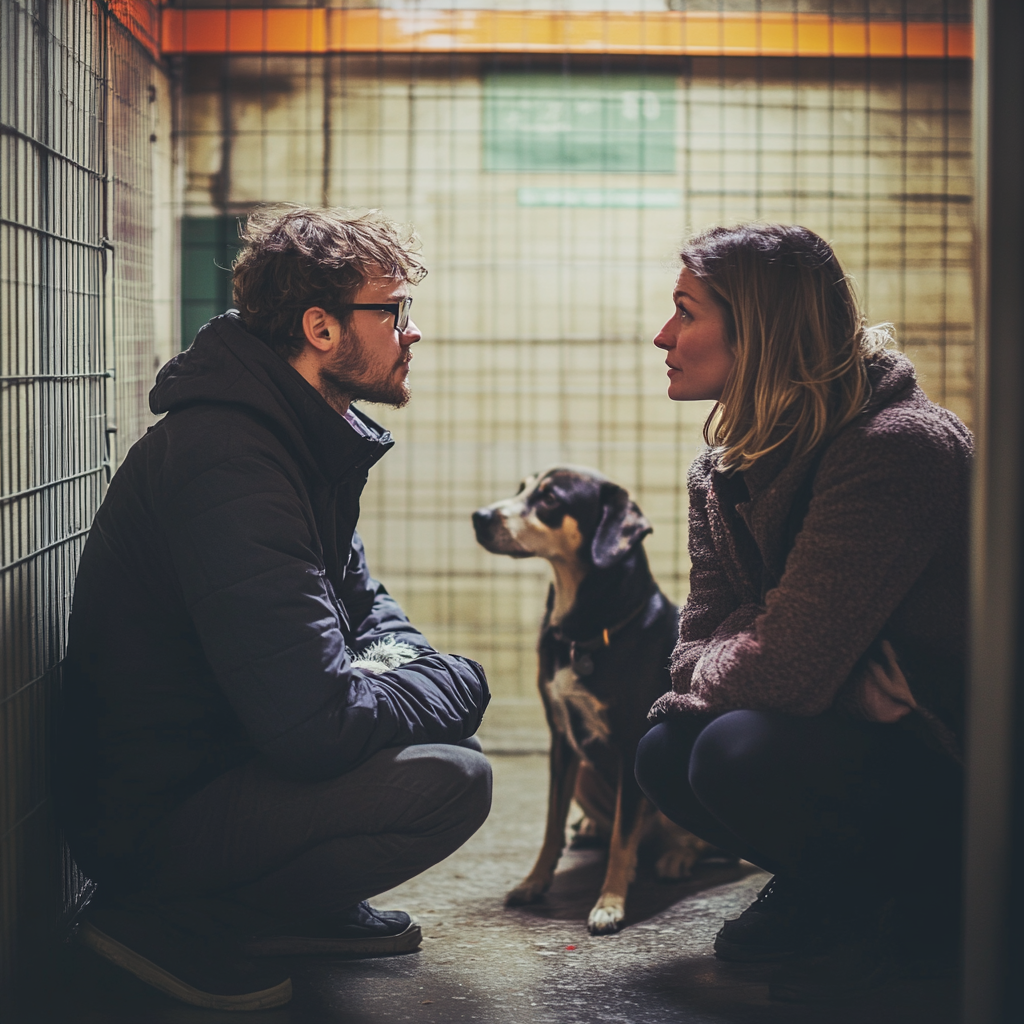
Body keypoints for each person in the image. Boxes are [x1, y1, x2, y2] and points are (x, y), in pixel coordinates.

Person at [56, 207, 492, 1011]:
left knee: (441, 749)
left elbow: (368, 610)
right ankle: (174, 922)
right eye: (393, 312)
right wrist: (456, 679)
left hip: (230, 767)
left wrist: (403, 672)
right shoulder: (229, 457)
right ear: (321, 328)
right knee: (451, 780)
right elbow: (315, 722)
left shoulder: (299, 440)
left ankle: (287, 909)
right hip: (156, 820)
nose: (412, 332)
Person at [634, 223, 969, 1003]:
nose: (663, 335)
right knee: (662, 748)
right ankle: (836, 888)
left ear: (759, 329)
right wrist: (837, 676)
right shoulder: (723, 466)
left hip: (952, 750)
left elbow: (785, 666)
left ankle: (936, 890)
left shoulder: (897, 446)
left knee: (735, 750)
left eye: (686, 311)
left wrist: (788, 658)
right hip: (863, 719)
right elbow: (695, 646)